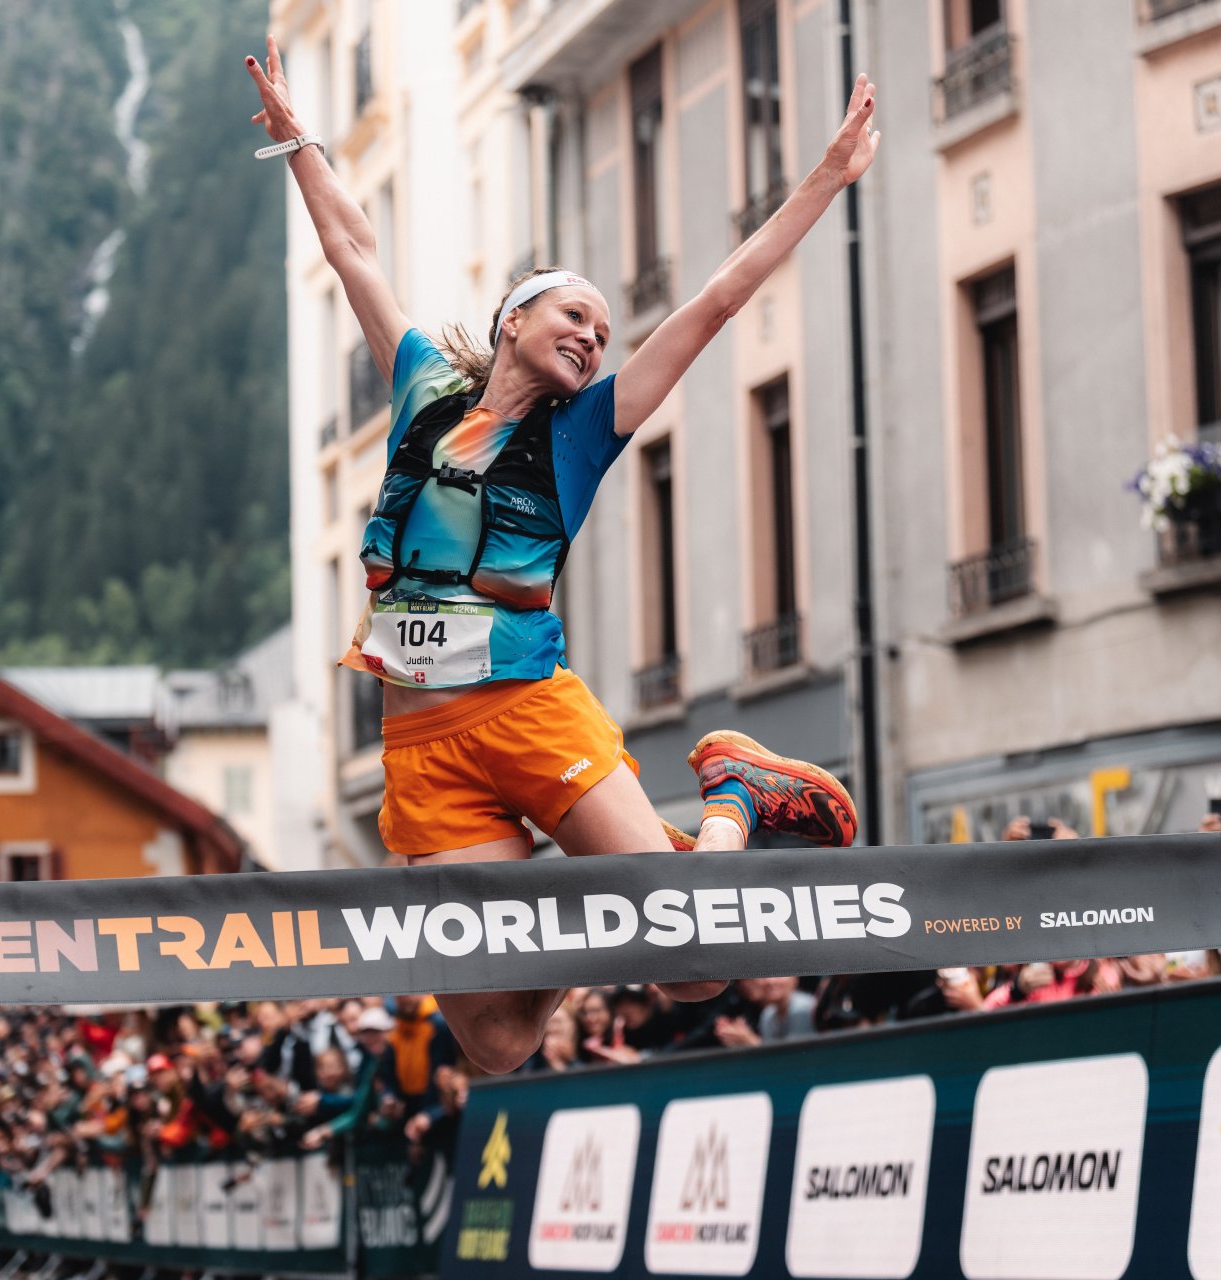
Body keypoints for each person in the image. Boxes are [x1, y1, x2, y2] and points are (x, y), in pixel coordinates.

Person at [245, 36, 877, 1074]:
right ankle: (590, 877)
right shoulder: (418, 382)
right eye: (574, 313)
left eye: (603, 328)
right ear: (513, 320)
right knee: (495, 1042)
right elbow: (353, 248)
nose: (592, 333)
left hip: (528, 711)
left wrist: (825, 178)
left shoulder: (585, 431)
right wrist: (300, 140)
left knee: (693, 971)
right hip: (420, 746)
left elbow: (716, 300)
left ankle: (734, 800)